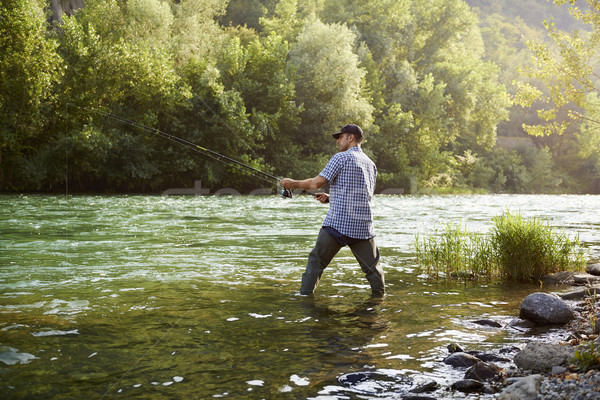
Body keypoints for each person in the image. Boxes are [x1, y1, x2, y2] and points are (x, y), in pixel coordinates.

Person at [280, 124, 385, 296]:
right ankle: (380, 300)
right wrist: (331, 198)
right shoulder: (371, 164)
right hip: (363, 227)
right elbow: (363, 196)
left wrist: (293, 184)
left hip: (337, 224)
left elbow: (316, 183)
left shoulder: (340, 158)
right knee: (373, 269)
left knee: (316, 261)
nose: (337, 140)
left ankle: (305, 299)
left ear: (351, 138)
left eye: (340, 136)